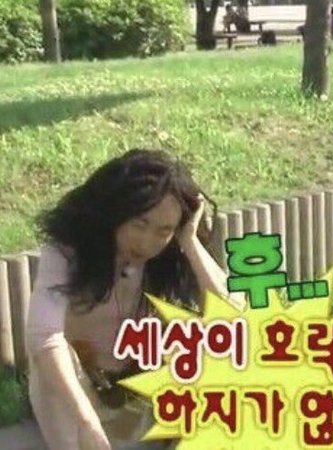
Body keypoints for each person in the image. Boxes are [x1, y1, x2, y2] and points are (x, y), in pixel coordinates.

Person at [25, 149, 246, 449]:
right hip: (78, 396)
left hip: (139, 386)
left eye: (163, 230)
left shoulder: (170, 252)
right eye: (139, 224)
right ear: (116, 211)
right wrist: (86, 422)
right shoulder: (68, 251)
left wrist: (189, 241)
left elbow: (235, 318)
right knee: (58, 354)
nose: (146, 242)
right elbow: (43, 337)